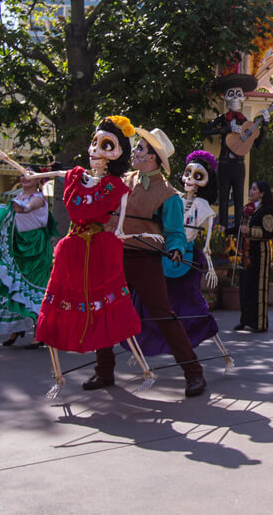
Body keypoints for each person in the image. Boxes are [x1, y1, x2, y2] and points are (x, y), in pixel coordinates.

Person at [0, 117, 143, 392]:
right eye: (94, 142)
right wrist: (8, 160)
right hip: (73, 248)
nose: (95, 149)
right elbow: (38, 176)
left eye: (105, 145)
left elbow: (119, 229)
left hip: (100, 250)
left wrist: (131, 236)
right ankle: (60, 376)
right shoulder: (75, 176)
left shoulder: (117, 188)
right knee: (60, 304)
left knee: (108, 304)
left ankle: (141, 367)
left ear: (118, 153)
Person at [92, 127, 207, 398]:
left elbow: (176, 233)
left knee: (163, 314)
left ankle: (193, 373)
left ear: (153, 157)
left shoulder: (168, 194)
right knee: (104, 310)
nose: (135, 151)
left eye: (141, 148)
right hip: (114, 254)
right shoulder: (122, 180)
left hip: (145, 258)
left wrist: (176, 249)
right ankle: (104, 370)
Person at [133, 151, 224, 360]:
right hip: (164, 255)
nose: (190, 180)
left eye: (197, 176)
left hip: (186, 259)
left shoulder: (204, 207)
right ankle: (146, 344)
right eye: (187, 174)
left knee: (190, 305)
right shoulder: (173, 198)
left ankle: (205, 349)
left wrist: (210, 266)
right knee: (149, 302)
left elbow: (207, 244)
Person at [0, 165, 56, 346]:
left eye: (29, 174)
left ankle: (39, 333)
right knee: (12, 288)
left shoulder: (38, 199)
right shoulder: (18, 197)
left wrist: (25, 208)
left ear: (38, 179)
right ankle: (16, 329)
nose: (24, 177)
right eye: (22, 174)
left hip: (34, 251)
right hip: (17, 248)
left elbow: (28, 207)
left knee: (35, 289)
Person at [200, 73, 270, 234]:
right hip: (224, 164)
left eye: (239, 94)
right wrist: (226, 129)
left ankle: (238, 230)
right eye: (231, 94)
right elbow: (205, 130)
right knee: (223, 196)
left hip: (239, 164)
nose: (235, 98)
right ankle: (222, 228)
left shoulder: (247, 122)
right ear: (226, 97)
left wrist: (265, 124)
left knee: (239, 197)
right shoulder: (223, 119)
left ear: (243, 98)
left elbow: (257, 144)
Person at [234, 180, 273, 333]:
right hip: (247, 252)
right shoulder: (250, 209)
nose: (251, 191)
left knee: (257, 288)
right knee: (245, 287)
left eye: (254, 189)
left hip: (260, 253)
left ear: (262, 193)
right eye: (251, 189)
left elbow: (268, 232)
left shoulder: (266, 210)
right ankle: (245, 319)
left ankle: (259, 322)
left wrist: (249, 232)